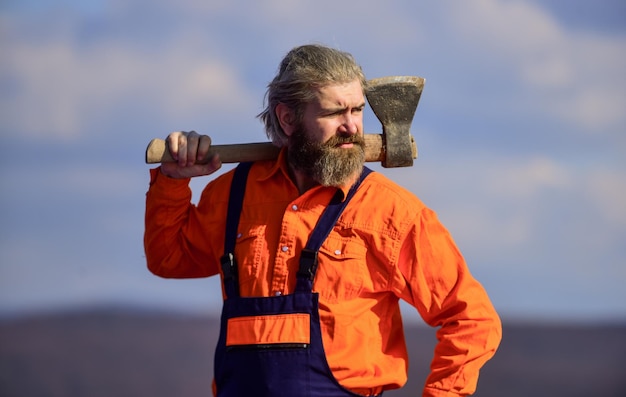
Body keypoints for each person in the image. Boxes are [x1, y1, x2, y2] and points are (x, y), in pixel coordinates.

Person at [144, 44, 501, 397]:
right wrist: (174, 181)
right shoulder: (232, 195)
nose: (352, 128)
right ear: (287, 118)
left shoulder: (392, 213)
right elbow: (168, 259)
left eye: (358, 110)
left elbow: (471, 319)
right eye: (335, 113)